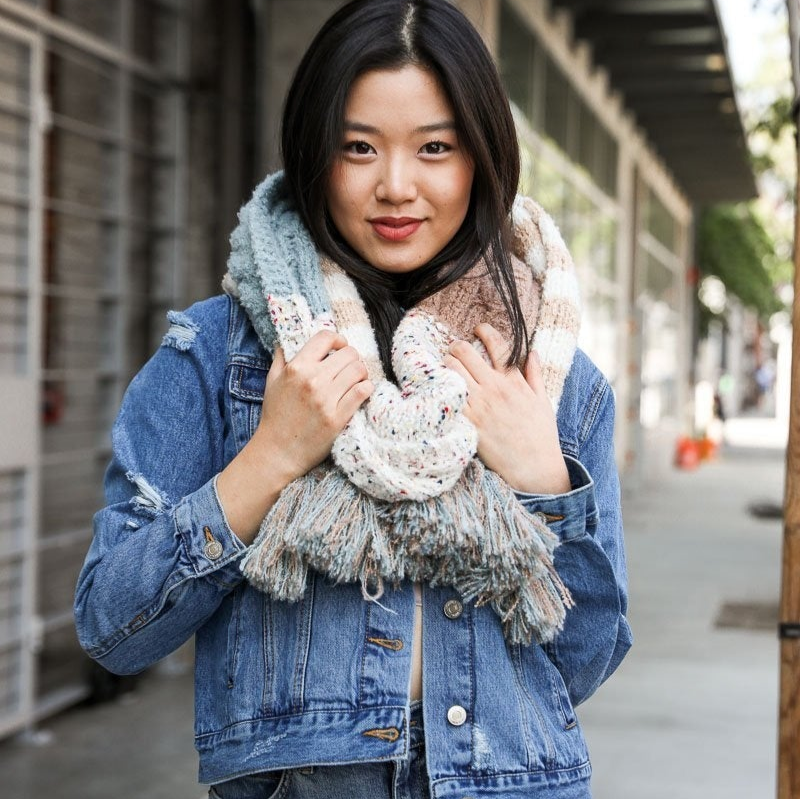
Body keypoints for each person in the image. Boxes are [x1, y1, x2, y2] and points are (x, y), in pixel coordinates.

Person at [74, 1, 631, 797]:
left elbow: (585, 658)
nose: (396, 186)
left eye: (435, 147)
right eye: (358, 148)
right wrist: (267, 459)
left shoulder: (547, 372)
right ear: (313, 155)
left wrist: (545, 484)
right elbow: (109, 626)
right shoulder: (223, 353)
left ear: (480, 157)